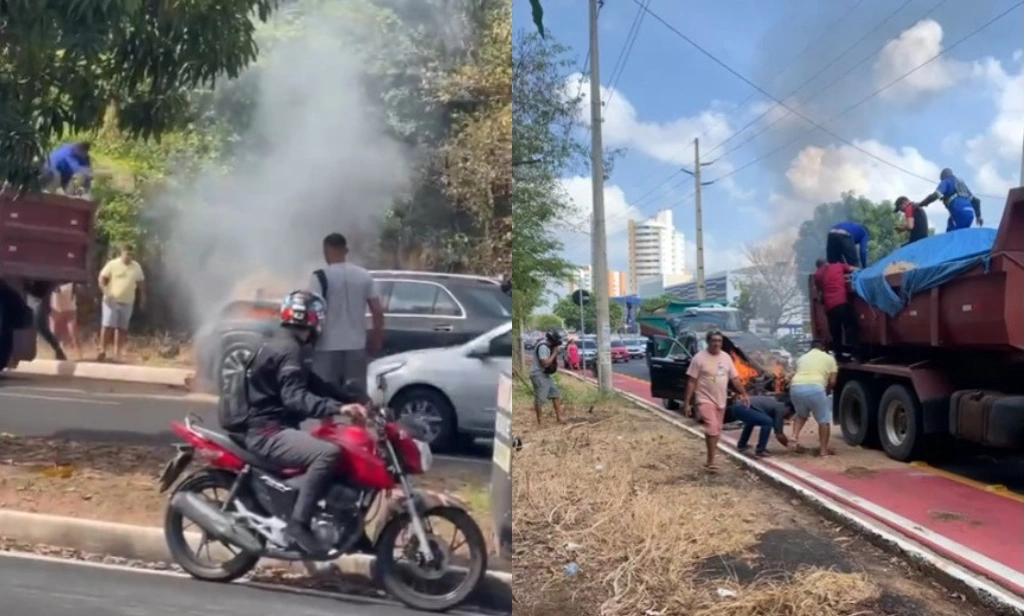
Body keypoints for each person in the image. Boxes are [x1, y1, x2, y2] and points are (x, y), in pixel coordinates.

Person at [240, 289, 369, 555]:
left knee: (337, 446)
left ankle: (349, 530)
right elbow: (295, 398)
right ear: (313, 319)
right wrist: (341, 408)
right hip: (268, 431)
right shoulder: (289, 350)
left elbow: (312, 383)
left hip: (272, 426)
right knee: (328, 453)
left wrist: (351, 396)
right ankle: (298, 525)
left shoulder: (285, 344)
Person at [307, 233, 384, 389]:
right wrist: (377, 338)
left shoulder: (320, 277)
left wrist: (308, 340)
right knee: (355, 396)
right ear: (346, 250)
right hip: (356, 346)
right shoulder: (364, 275)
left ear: (325, 250)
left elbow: (313, 312)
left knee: (325, 395)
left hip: (326, 347)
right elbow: (377, 311)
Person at [681, 330, 750, 472]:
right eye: (714, 341)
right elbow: (691, 382)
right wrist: (687, 403)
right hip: (704, 398)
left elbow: (735, 379)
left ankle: (708, 458)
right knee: (712, 427)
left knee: (716, 430)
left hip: (721, 399)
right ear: (708, 341)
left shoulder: (726, 358)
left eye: (719, 341)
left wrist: (744, 393)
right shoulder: (698, 358)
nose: (716, 343)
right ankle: (712, 461)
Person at [788, 340, 839, 456]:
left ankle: (794, 436)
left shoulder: (802, 358)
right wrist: (828, 390)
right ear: (823, 347)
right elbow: (832, 381)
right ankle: (823, 451)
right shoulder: (829, 358)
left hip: (795, 387)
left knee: (801, 414)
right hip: (815, 387)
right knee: (823, 420)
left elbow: (796, 373)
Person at [97, 244, 145, 361]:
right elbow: (101, 278)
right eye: (127, 254)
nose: (129, 257)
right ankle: (102, 350)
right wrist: (105, 290)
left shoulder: (136, 267)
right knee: (108, 325)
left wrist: (143, 298)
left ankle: (117, 353)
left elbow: (141, 284)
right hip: (111, 301)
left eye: (131, 254)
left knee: (122, 328)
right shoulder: (112, 264)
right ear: (122, 253)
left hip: (127, 301)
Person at [813, 258, 858, 360]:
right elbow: (853, 269)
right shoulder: (837, 266)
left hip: (829, 307)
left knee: (836, 332)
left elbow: (820, 291)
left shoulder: (817, 275)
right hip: (841, 302)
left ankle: (839, 355)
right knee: (850, 327)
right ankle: (856, 353)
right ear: (827, 262)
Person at [918, 168, 983, 232]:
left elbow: (936, 195)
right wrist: (978, 216)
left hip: (958, 211)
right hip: (970, 214)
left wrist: (921, 204)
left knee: (951, 235)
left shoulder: (946, 181)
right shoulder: (962, 185)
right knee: (961, 234)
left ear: (943, 176)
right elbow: (976, 201)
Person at [24, 281, 66, 361]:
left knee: (41, 327)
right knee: (40, 328)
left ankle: (58, 350)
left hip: (36, 299)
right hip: (34, 299)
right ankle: (58, 350)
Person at [530, 328, 564, 424]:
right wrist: (554, 353)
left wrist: (555, 351)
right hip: (538, 375)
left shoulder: (548, 346)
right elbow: (545, 363)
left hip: (545, 375)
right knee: (540, 398)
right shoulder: (543, 347)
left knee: (555, 394)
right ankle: (540, 422)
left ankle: (559, 418)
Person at [50, 282, 80, 358]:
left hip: (59, 290)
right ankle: (77, 351)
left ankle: (57, 351)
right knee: (70, 321)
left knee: (56, 325)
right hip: (65, 290)